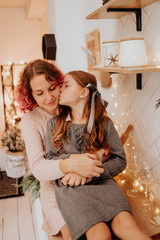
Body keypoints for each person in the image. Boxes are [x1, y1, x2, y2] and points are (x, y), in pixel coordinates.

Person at [45, 70, 152, 240]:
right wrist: (74, 167)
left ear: (84, 92)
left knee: (126, 224)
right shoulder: (54, 125)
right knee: (99, 232)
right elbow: (50, 159)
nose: (60, 90)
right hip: (72, 189)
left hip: (103, 184)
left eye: (66, 85)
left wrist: (92, 173)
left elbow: (120, 160)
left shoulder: (103, 123)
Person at [15, 59, 105, 240]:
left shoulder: (73, 105)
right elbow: (38, 168)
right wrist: (70, 164)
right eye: (39, 93)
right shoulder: (31, 120)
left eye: (52, 88)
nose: (49, 98)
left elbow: (102, 143)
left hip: (86, 182)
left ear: (60, 84)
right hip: (54, 191)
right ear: (30, 95)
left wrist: (86, 166)